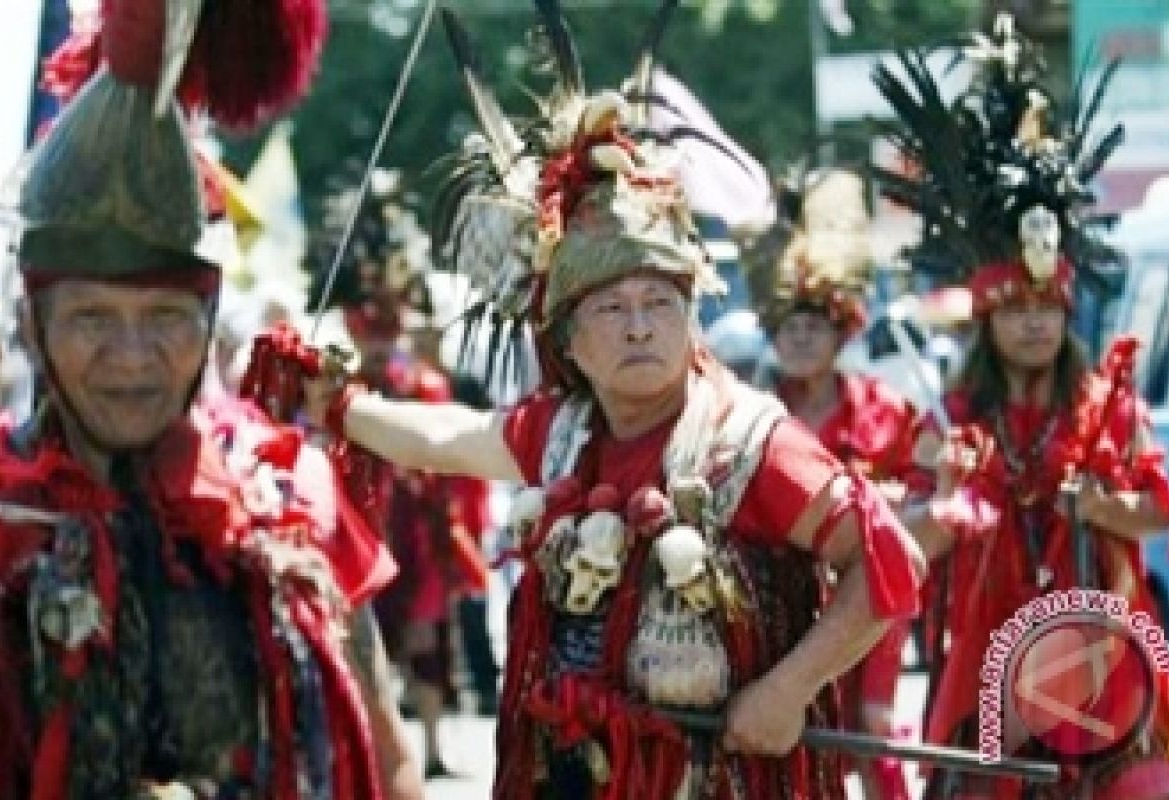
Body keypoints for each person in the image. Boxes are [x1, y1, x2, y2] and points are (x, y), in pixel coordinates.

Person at [299, 5, 926, 798]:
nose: (639, 326)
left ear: (692, 315)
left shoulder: (749, 441)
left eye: (659, 302)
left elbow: (886, 563)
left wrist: (787, 689)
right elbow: (450, 438)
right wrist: (339, 406)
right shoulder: (563, 432)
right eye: (611, 308)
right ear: (569, 341)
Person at [0, 1, 422, 797]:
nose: (132, 357)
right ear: (33, 323)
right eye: (92, 317)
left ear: (208, 321)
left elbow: (390, 762)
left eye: (164, 318)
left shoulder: (297, 502)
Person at [875, 15, 1169, 798]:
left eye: (1046, 308)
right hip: (989, 659)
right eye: (1016, 309)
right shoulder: (950, 420)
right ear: (989, 319)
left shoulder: (1106, 402)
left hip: (1106, 651)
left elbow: (1157, 512)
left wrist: (1104, 506)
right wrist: (944, 513)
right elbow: (908, 536)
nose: (1034, 323)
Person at [740, 166, 922, 800]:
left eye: (813, 325)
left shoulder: (886, 409)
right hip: (783, 590)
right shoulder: (752, 414)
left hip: (866, 587)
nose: (799, 337)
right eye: (787, 326)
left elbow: (928, 496)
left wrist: (898, 502)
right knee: (801, 731)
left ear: (841, 331)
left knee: (872, 725)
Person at [306, 175, 490, 778]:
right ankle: (370, 748)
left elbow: (435, 414)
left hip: (416, 508)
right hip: (362, 501)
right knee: (363, 628)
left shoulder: (419, 349)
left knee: (427, 631)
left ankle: (432, 745)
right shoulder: (347, 333)